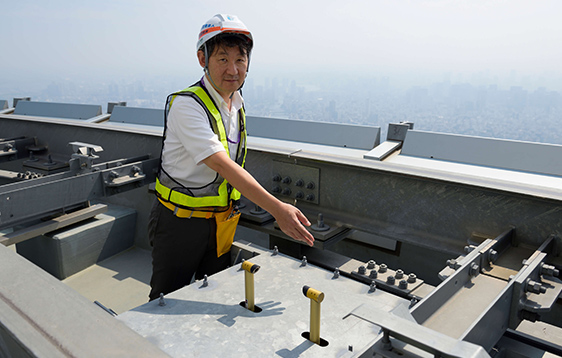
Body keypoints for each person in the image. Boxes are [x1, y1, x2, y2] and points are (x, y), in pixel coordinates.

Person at [148, 14, 314, 301]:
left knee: (213, 292)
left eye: (240, 59)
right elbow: (222, 164)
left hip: (221, 222)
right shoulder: (187, 105)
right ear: (203, 58)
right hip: (180, 223)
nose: (233, 69)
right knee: (165, 299)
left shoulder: (235, 103)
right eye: (222, 59)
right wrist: (277, 208)